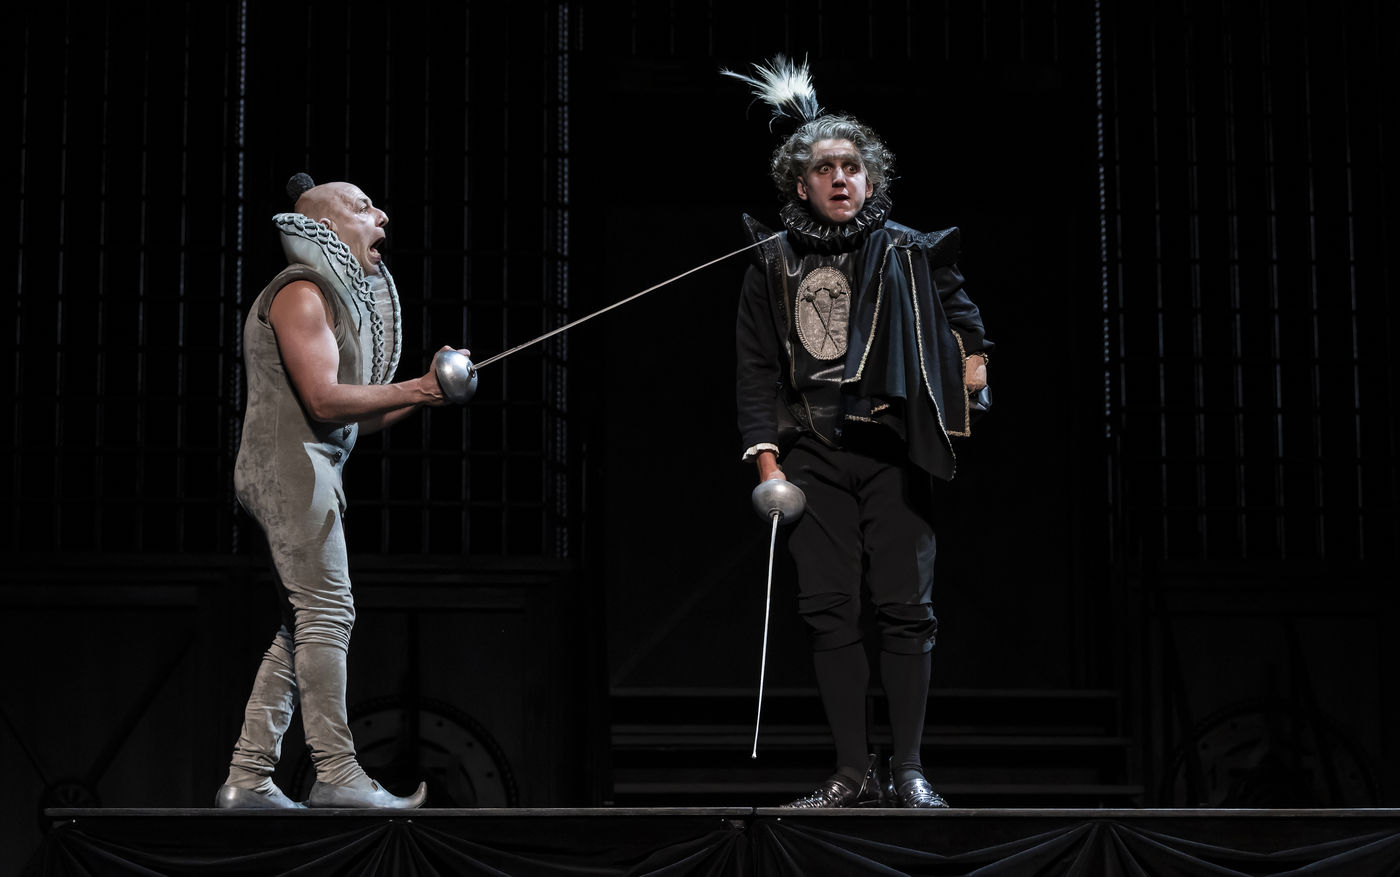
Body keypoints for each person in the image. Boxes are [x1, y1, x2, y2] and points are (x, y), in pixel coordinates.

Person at [726, 59, 993, 808]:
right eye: (824, 168)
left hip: (895, 452)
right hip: (812, 455)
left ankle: (908, 771)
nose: (840, 178)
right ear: (800, 185)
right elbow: (756, 373)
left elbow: (969, 335)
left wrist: (966, 375)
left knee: (906, 609)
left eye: (851, 166)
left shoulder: (912, 250)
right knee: (828, 609)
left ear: (870, 180)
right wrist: (769, 468)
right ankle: (852, 772)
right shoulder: (770, 263)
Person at [215, 174, 463, 809]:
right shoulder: (301, 291)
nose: (381, 216)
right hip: (287, 468)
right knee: (328, 612)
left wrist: (425, 392)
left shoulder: (324, 296)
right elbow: (324, 401)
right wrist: (420, 388)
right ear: (325, 226)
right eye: (362, 207)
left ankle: (248, 776)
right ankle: (337, 773)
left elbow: (352, 418)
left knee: (302, 623)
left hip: (307, 466)